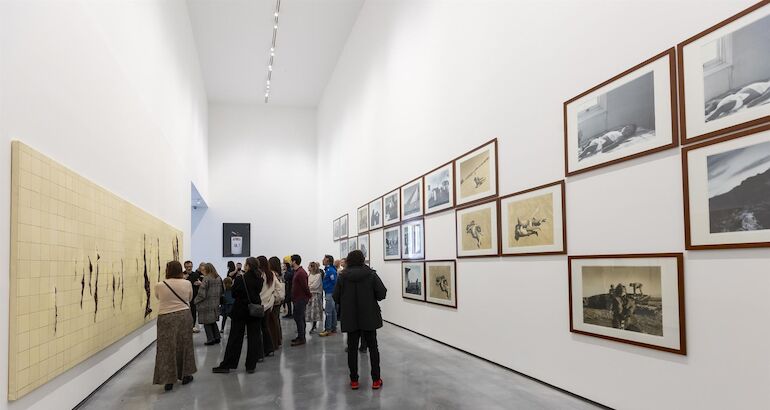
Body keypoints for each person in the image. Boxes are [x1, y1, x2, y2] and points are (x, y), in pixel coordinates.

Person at [333, 250, 386, 390]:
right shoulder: (371, 274)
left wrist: (346, 300)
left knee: (352, 349)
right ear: (363, 259)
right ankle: (376, 380)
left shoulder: (342, 276)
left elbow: (335, 296)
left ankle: (354, 381)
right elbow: (382, 293)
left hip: (350, 317)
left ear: (349, 260)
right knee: (373, 348)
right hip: (369, 316)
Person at [213, 257, 264, 374]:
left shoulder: (241, 279)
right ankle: (251, 365)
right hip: (254, 310)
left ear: (248, 266)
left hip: (240, 310)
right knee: (254, 337)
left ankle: (228, 364)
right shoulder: (259, 279)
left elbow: (234, 294)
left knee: (235, 338)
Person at [153, 261, 197, 391]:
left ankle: (168, 380)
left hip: (165, 318)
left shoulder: (159, 285)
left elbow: (158, 298)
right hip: (184, 316)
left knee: (166, 348)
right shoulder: (187, 283)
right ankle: (185, 375)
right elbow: (189, 298)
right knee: (185, 345)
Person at [193, 263, 223, 345]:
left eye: (203, 270)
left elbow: (202, 294)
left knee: (207, 322)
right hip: (215, 302)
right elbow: (221, 291)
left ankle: (210, 339)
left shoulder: (206, 278)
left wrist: (195, 300)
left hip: (206, 303)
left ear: (207, 269)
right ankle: (217, 337)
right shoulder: (218, 277)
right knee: (212, 321)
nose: (202, 271)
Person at [256, 256, 276, 357]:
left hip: (259, 304)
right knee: (265, 327)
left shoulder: (259, 275)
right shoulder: (271, 274)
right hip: (268, 303)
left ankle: (260, 353)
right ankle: (269, 349)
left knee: (257, 329)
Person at [290, 255, 311, 346]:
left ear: (294, 261)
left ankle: (302, 338)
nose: (290, 262)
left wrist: (308, 295)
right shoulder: (297, 272)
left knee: (299, 318)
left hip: (300, 299)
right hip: (297, 299)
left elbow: (305, 286)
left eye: (291, 261)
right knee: (298, 318)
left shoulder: (301, 273)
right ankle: (300, 336)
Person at [267, 257, 284, 348]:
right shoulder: (279, 274)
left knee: (273, 321)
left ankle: (275, 340)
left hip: (274, 300)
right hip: (279, 300)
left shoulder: (272, 274)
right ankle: (278, 338)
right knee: (276, 319)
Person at [319, 255, 338, 337]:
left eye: (324, 259)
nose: (322, 260)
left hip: (330, 293)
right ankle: (333, 328)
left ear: (328, 261)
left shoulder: (330, 271)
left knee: (328, 312)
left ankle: (328, 329)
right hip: (329, 292)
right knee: (332, 311)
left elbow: (335, 282)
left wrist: (328, 289)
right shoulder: (328, 270)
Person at [305, 262, 324, 334]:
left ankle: (314, 326)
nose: (308, 267)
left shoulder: (318, 275)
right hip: (310, 294)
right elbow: (308, 283)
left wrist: (309, 286)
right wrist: (309, 286)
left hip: (315, 294)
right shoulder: (310, 275)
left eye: (309, 266)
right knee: (309, 310)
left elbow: (315, 285)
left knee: (315, 311)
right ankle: (311, 325)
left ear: (313, 267)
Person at [187, 262, 204, 333]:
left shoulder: (196, 274)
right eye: (187, 266)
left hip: (194, 296)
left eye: (190, 266)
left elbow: (201, 284)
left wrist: (199, 284)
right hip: (185, 297)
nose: (189, 268)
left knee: (193, 311)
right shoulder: (183, 275)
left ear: (192, 266)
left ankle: (193, 326)